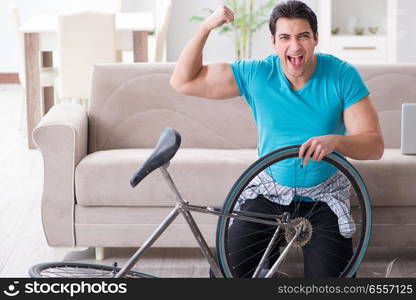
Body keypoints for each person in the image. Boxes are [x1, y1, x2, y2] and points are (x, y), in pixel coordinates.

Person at [170, 0, 384, 278]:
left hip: (324, 195)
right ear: (274, 42)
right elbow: (182, 81)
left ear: (316, 39)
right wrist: (206, 27)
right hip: (269, 190)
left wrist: (336, 141)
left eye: (303, 36)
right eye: (285, 37)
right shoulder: (257, 74)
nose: (294, 47)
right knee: (223, 274)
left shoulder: (342, 75)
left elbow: (374, 145)